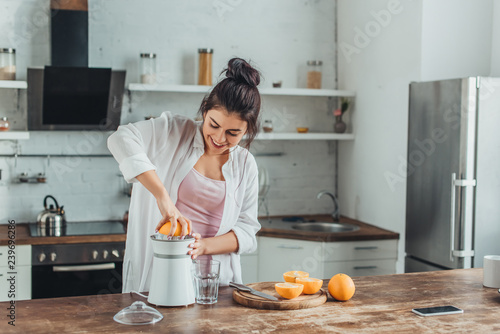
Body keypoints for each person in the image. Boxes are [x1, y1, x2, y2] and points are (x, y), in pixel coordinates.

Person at [107, 57, 262, 293]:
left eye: (233, 133)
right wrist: (162, 197)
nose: (220, 139)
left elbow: (247, 232)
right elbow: (120, 138)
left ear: (247, 130)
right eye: (213, 125)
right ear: (205, 109)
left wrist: (203, 246)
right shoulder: (173, 131)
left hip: (217, 285)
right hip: (162, 279)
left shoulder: (245, 164)